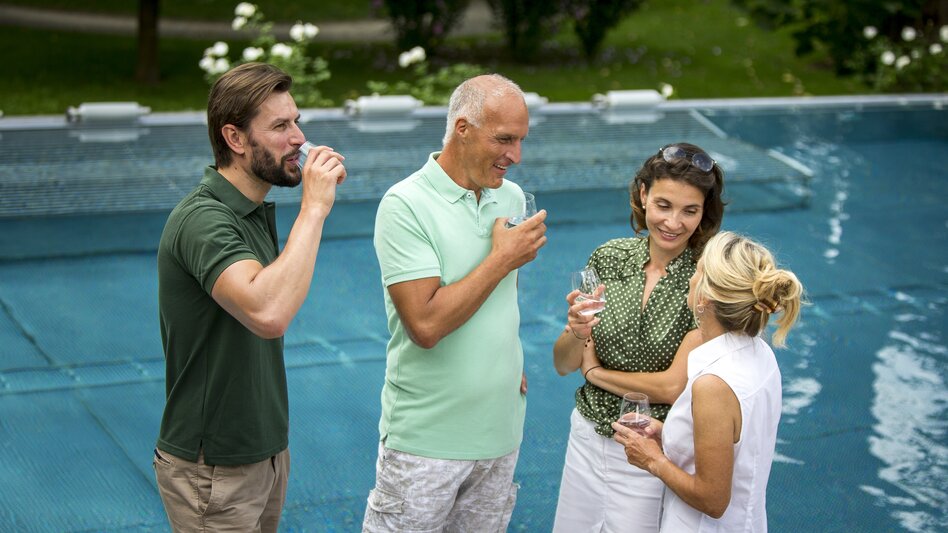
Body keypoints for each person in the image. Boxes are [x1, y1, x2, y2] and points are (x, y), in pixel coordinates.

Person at [153, 62, 346, 532]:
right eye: (281, 126)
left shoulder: (253, 211)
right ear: (236, 139)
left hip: (265, 452)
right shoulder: (204, 219)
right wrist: (315, 208)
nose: (299, 137)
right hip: (213, 467)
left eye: (296, 121)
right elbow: (269, 312)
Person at [362, 74, 548, 532]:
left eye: (522, 140)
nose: (516, 156)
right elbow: (424, 325)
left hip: (501, 435)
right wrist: (501, 259)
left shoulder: (511, 196)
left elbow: (504, 297)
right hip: (426, 444)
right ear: (462, 128)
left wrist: (504, 352)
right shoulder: (404, 205)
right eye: (504, 139)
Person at [552, 143, 726, 532]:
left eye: (690, 211)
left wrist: (594, 373)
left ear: (704, 213)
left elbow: (670, 387)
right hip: (585, 435)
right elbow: (564, 364)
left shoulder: (707, 279)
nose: (674, 222)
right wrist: (575, 332)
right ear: (643, 195)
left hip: (650, 448)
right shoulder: (608, 257)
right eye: (664, 205)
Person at [612, 231, 803, 532]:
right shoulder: (761, 353)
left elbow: (713, 500)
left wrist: (652, 460)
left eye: (698, 270)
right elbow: (736, 443)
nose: (691, 276)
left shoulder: (713, 384)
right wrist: (666, 433)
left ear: (705, 297)